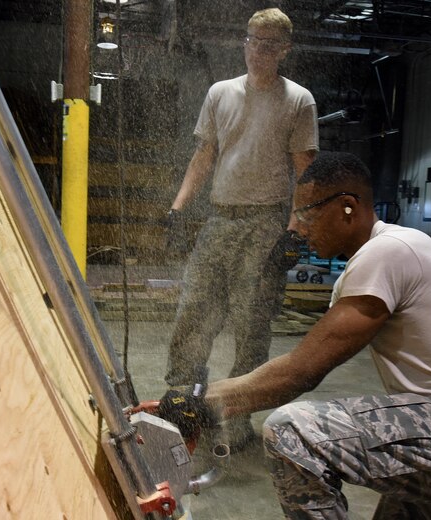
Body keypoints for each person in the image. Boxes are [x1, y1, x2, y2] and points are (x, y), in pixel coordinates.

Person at [160, 152, 431, 519]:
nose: (295, 228)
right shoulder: (369, 264)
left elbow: (300, 372)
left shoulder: (390, 250)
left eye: (306, 214)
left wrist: (199, 400)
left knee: (294, 430)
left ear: (347, 206)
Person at [164, 7, 319, 450]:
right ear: (244, 42)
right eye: (253, 40)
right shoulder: (220, 92)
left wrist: (295, 230)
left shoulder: (298, 101)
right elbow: (204, 156)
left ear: (284, 50)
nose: (259, 50)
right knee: (194, 314)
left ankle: (235, 416)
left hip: (266, 222)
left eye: (269, 44)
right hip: (220, 218)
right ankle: (182, 406)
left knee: (252, 325)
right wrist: (177, 209)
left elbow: (303, 170)